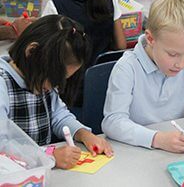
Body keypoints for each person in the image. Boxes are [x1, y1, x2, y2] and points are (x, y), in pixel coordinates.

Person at [102, 0, 184, 153]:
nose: (181, 64)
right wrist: (157, 139)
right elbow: (112, 122)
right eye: (172, 54)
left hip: (176, 150)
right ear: (151, 39)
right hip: (137, 153)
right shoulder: (127, 68)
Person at [0, 15, 113, 169]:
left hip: (40, 173)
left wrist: (83, 134)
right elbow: (2, 146)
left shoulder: (41, 76)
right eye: (53, 79)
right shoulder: (3, 84)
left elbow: (59, 115)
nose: (54, 86)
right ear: (32, 52)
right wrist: (49, 157)